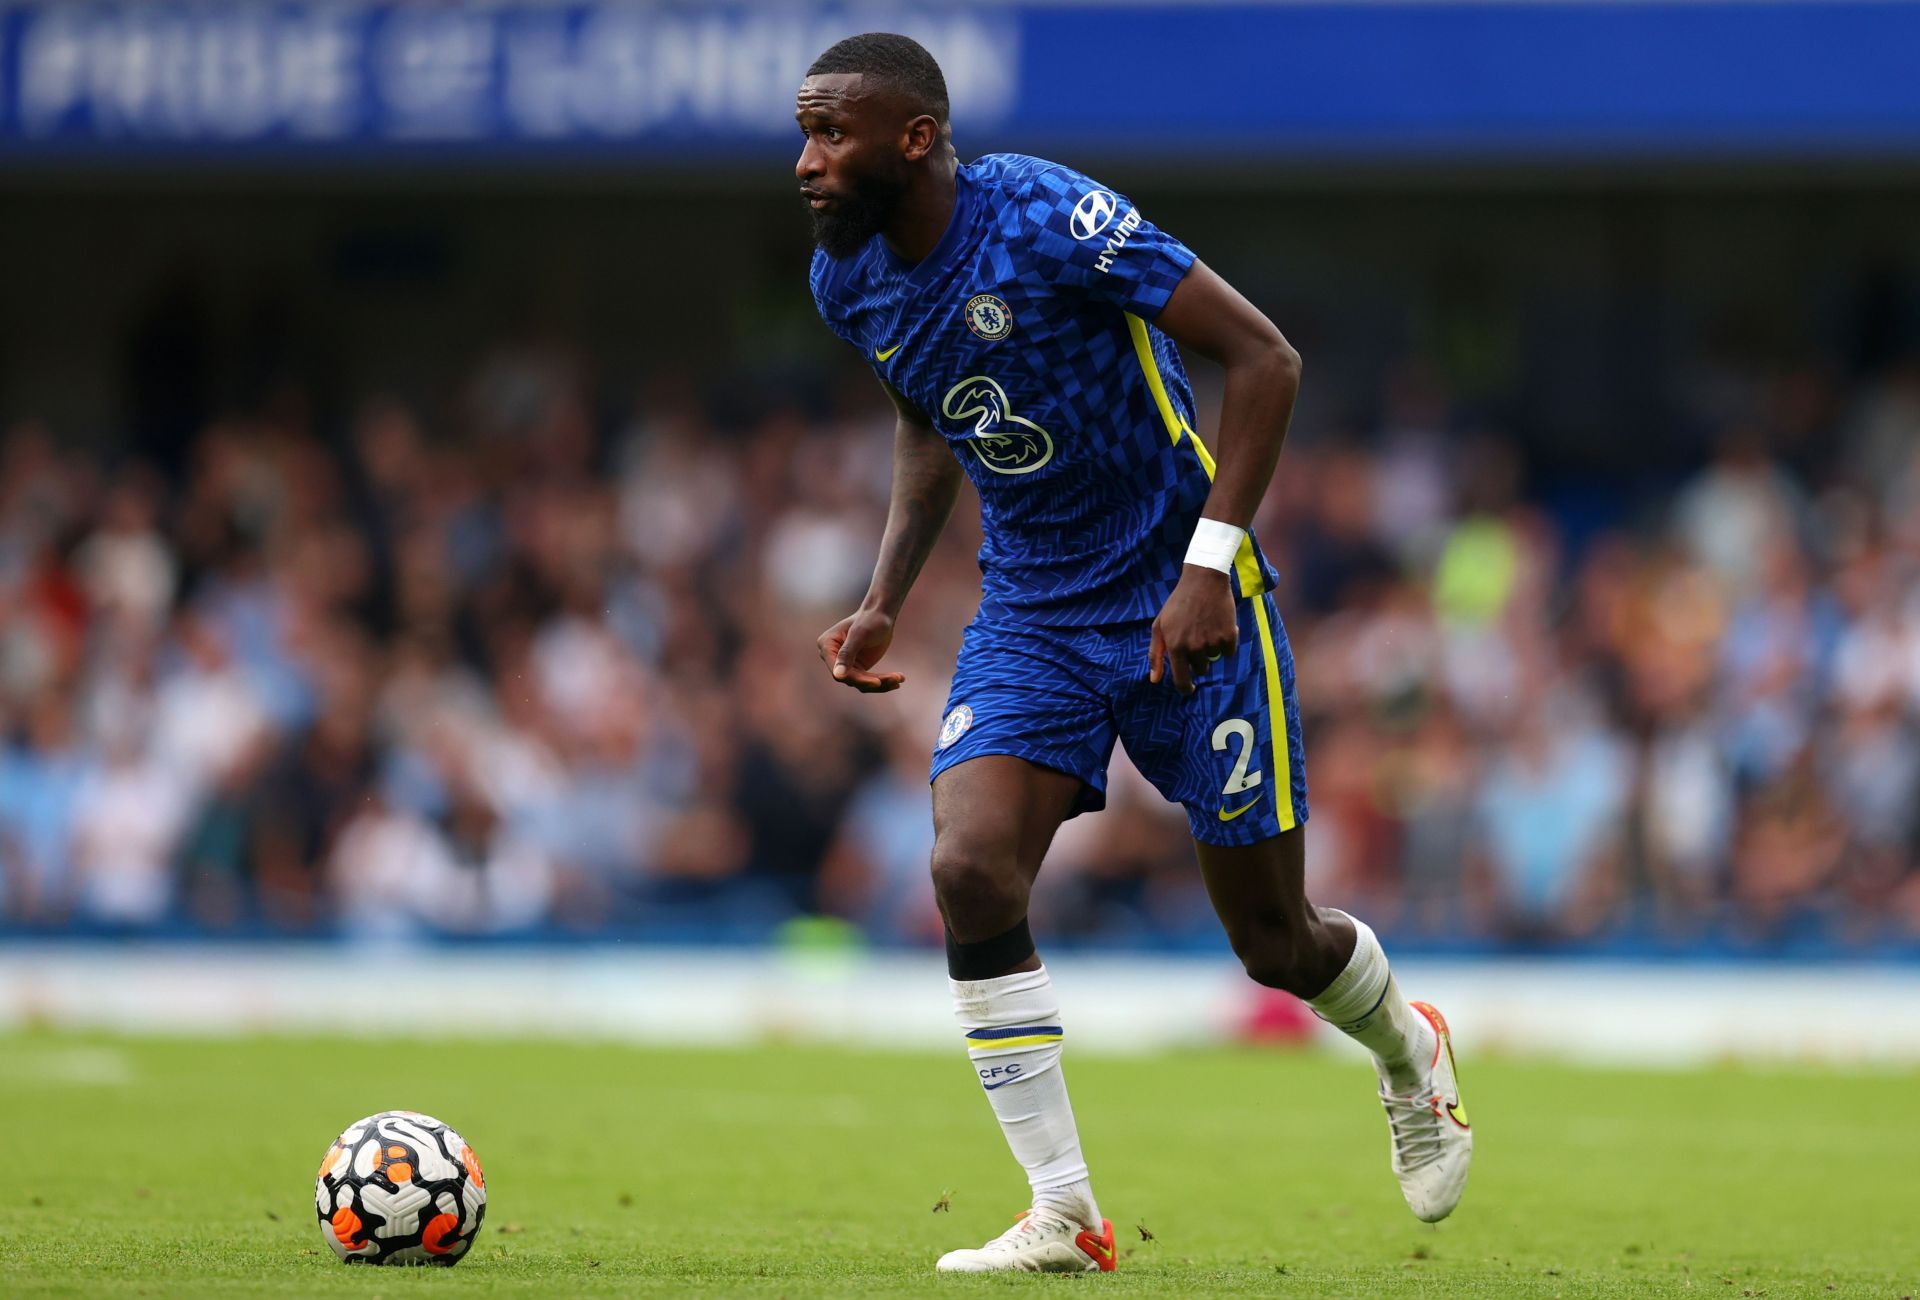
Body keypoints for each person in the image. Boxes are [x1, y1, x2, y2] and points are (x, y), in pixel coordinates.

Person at [797, 33, 1472, 1274]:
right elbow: (930, 420)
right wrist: (887, 591)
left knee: (1275, 945)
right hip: (1034, 612)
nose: (808, 161)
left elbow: (1265, 356)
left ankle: (1406, 1052)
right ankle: (1064, 1207)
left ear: (917, 138)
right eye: (805, 132)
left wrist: (1209, 565)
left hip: (1184, 594)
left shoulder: (1046, 215)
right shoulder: (848, 281)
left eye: (834, 133)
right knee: (971, 871)